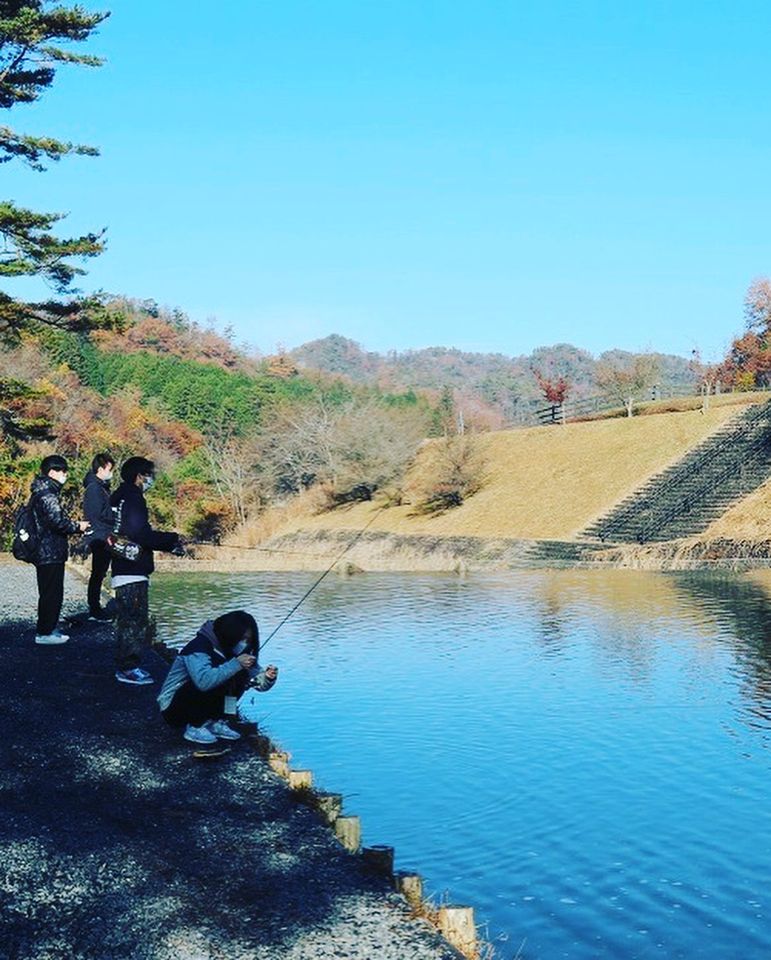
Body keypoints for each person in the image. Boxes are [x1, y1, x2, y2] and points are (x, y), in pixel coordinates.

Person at [110, 456, 181, 686]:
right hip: (132, 568)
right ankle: (128, 669)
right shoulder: (134, 498)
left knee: (126, 621)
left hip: (121, 566)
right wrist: (172, 540)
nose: (150, 479)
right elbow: (141, 534)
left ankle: (126, 666)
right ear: (139, 476)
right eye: (149, 475)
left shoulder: (118, 497)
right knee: (134, 621)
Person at [158, 610, 278, 744]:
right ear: (231, 634)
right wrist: (236, 664)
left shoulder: (235, 650)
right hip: (173, 708)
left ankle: (216, 721)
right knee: (214, 675)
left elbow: (257, 682)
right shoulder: (198, 647)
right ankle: (195, 726)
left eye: (248, 640)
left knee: (239, 675)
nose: (245, 643)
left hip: (203, 704)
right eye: (242, 638)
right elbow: (203, 681)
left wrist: (268, 678)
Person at [31, 455, 91, 645]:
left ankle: (48, 629)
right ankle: (45, 633)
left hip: (46, 550)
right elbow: (57, 522)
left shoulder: (41, 491)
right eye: (63, 471)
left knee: (49, 591)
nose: (66, 474)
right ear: (52, 472)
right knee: (52, 593)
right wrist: (78, 526)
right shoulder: (48, 494)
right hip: (49, 550)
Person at [82, 452, 116, 621]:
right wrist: (112, 516)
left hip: (103, 534)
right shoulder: (95, 488)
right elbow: (95, 515)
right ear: (101, 468)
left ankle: (95, 608)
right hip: (100, 536)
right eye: (110, 469)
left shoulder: (100, 487)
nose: (111, 473)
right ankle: (94, 609)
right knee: (98, 573)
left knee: (99, 572)